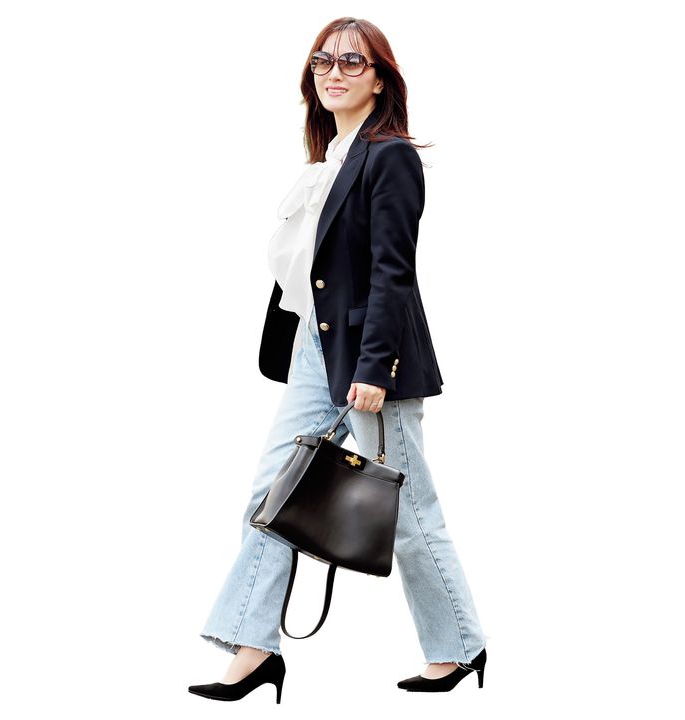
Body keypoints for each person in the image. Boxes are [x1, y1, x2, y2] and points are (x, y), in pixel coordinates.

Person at [188, 17, 488, 704]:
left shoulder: (390, 157)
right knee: (274, 493)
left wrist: (375, 367)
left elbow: (393, 273)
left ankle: (458, 646)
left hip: (371, 357)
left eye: (353, 62)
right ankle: (254, 649)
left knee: (406, 510)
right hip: (314, 349)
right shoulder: (328, 160)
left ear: (380, 80)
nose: (334, 72)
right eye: (323, 60)